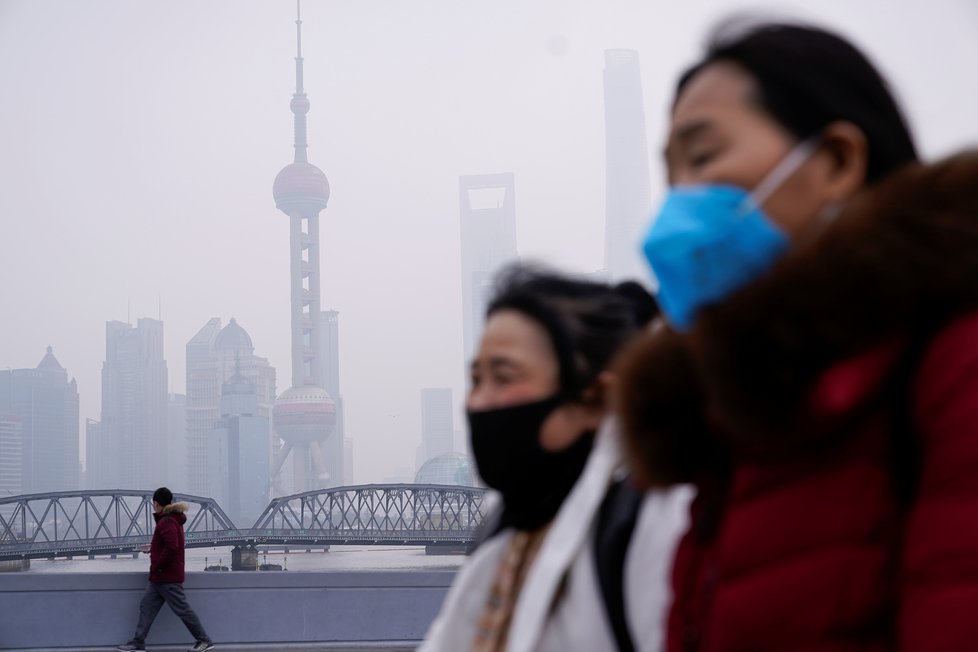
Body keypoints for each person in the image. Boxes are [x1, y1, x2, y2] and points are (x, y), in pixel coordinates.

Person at [616, 19, 978, 652]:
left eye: (702, 158)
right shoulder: (735, 420)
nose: (677, 204)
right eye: (670, 176)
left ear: (837, 160)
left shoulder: (954, 361)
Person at [421, 265, 692, 652]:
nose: (478, 401)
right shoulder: (504, 528)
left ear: (595, 400)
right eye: (477, 379)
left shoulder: (656, 525)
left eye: (504, 376)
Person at [118, 487, 215, 652]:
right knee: (146, 607)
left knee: (183, 610)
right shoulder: (171, 520)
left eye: (153, 504)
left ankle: (204, 640)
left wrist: (158, 567)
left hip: (167, 577)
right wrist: (153, 548)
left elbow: (172, 547)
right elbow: (168, 544)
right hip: (161, 578)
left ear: (156, 503)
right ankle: (138, 643)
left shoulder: (167, 521)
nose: (153, 507)